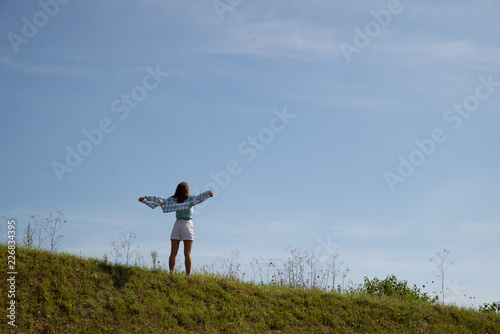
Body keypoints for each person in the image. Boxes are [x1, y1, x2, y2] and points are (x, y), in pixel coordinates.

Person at [139, 182, 213, 276]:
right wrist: (208, 193)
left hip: (177, 224)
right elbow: (200, 198)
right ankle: (187, 276)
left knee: (173, 252)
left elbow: (160, 200)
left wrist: (146, 197)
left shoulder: (174, 200)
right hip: (187, 224)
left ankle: (171, 274)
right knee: (187, 253)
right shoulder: (191, 199)